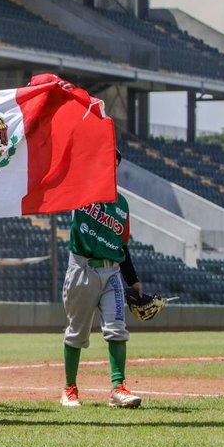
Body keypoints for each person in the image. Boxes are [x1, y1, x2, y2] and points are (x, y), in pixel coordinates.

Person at [61, 149, 144, 409]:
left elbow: (122, 245)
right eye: (106, 162)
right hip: (82, 269)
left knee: (117, 329)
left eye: (114, 164)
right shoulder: (79, 190)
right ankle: (69, 389)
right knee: (76, 333)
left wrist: (133, 280)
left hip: (112, 272)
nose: (111, 168)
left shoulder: (122, 204)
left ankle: (118, 389)